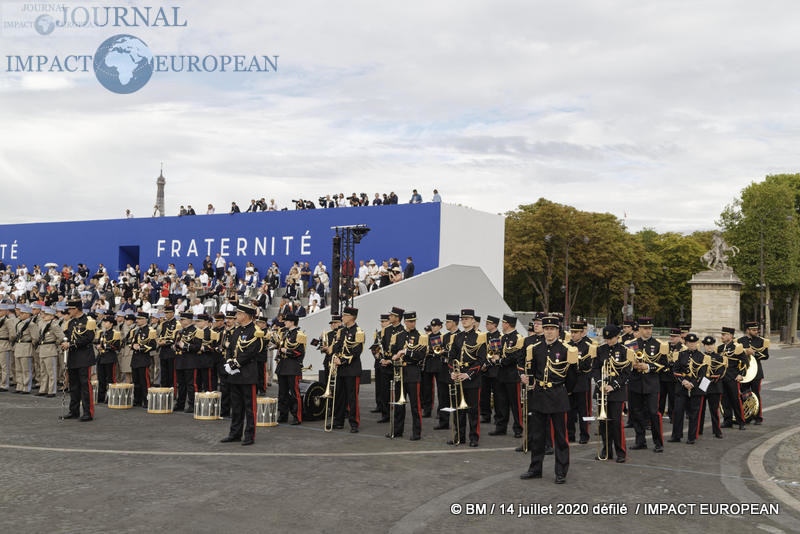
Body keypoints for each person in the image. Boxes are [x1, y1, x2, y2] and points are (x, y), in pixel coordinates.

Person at [519, 316, 577, 484]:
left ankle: (561, 472)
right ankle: (535, 469)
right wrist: (527, 380)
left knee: (560, 437)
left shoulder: (567, 349)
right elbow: (532, 371)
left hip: (558, 395)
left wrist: (566, 392)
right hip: (539, 395)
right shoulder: (535, 348)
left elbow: (572, 377)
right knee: (537, 436)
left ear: (558, 331)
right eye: (546, 329)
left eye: (552, 329)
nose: (549, 332)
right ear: (543, 330)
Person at [221, 303, 263, 446]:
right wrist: (228, 361)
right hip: (235, 375)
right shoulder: (237, 330)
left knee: (249, 408)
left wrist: (236, 363)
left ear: (245, 315)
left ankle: (249, 435)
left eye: (238, 314)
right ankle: (235, 433)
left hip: (247, 374)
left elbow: (252, 351)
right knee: (236, 407)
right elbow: (230, 348)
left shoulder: (255, 331)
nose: (236, 316)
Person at [592, 325, 634, 462]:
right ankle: (606, 450)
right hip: (602, 391)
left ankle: (621, 452)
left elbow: (626, 373)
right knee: (603, 423)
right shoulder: (600, 350)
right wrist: (600, 383)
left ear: (617, 336)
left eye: (610, 338)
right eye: (606, 338)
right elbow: (595, 369)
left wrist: (613, 386)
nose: (608, 341)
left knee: (616, 423)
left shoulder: (624, 351)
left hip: (616, 392)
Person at [625, 317, 667, 453]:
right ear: (640, 329)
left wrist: (648, 367)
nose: (648, 331)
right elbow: (624, 364)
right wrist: (633, 366)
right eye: (645, 328)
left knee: (653, 413)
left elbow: (665, 365)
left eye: (650, 328)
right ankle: (640, 441)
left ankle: (658, 442)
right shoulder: (630, 344)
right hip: (635, 383)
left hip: (651, 384)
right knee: (637, 413)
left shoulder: (660, 344)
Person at [447, 309, 487, 447]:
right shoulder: (457, 337)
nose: (464, 321)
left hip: (472, 378)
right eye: (462, 319)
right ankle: (459, 436)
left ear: (473, 320)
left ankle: (474, 438)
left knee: (473, 410)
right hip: (458, 377)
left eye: (467, 319)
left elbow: (481, 360)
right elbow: (451, 357)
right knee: (459, 409)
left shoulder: (480, 336)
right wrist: (452, 371)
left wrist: (468, 374)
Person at [387, 311, 426, 440]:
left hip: (413, 373)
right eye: (410, 321)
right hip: (400, 373)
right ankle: (397, 431)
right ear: (405, 322)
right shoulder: (398, 336)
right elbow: (392, 354)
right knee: (399, 405)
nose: (412, 323)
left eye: (414, 321)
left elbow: (421, 356)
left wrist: (406, 352)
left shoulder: (421, 336)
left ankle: (417, 432)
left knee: (415, 406)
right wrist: (394, 357)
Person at [60, 300, 96, 421]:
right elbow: (66, 336)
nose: (68, 311)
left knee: (85, 385)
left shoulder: (89, 321)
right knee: (74, 385)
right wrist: (64, 343)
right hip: (73, 357)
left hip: (84, 356)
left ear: (77, 309)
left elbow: (88, 338)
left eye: (71, 309)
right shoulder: (70, 322)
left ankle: (88, 412)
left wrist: (70, 344)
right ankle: (73, 410)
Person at [668, 333, 707, 444]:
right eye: (690, 343)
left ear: (697, 343)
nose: (692, 344)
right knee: (678, 412)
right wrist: (684, 381)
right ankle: (676, 435)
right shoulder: (681, 355)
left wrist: (693, 383)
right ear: (686, 343)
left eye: (694, 342)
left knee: (694, 414)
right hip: (682, 388)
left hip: (695, 389)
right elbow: (676, 370)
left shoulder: (702, 356)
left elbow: (703, 374)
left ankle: (692, 437)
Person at [331, 306, 364, 433]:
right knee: (339, 396)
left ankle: (354, 423)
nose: (342, 318)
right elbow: (338, 347)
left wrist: (342, 360)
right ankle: (338, 421)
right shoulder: (342, 331)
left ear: (351, 317)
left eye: (344, 315)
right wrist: (336, 357)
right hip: (341, 369)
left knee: (352, 398)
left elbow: (357, 351)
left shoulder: (359, 332)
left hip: (352, 369)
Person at [493, 314, 524, 438]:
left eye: (503, 323)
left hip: (512, 376)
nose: (502, 325)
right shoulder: (502, 338)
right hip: (501, 375)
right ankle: (501, 427)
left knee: (515, 404)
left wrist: (500, 361)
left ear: (507, 324)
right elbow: (498, 353)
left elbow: (516, 356)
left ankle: (518, 428)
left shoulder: (518, 338)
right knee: (501, 403)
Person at [565, 322, 594, 444]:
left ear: (582, 333)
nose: (573, 334)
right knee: (570, 412)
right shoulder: (567, 346)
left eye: (576, 332)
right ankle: (570, 435)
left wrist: (576, 362)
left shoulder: (588, 346)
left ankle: (584, 434)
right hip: (570, 383)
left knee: (584, 412)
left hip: (582, 382)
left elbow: (588, 365)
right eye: (572, 332)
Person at [276, 313, 305, 425]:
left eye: (286, 321)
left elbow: (299, 352)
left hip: (293, 366)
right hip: (283, 365)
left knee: (294, 393)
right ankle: (283, 415)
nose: (284, 322)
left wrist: (285, 351)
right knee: (282, 393)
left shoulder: (299, 334)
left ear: (292, 322)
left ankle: (297, 416)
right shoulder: (285, 333)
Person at [738, 320, 768, 424]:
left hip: (756, 372)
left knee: (756, 394)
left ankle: (758, 417)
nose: (756, 331)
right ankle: (747, 416)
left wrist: (754, 354)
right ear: (747, 330)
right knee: (745, 394)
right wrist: (745, 352)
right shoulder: (740, 340)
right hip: (744, 372)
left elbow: (766, 355)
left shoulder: (761, 341)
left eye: (757, 330)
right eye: (754, 330)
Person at [718, 327, 747, 430]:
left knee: (736, 400)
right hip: (722, 378)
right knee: (724, 401)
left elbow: (745, 362)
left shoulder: (737, 347)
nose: (722, 336)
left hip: (733, 377)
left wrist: (741, 374)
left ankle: (741, 422)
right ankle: (727, 421)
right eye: (722, 334)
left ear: (730, 336)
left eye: (724, 335)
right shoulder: (720, 348)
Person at [36, 306, 64, 398]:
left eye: (47, 314)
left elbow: (61, 337)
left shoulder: (54, 325)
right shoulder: (42, 324)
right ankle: (43, 389)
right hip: (42, 349)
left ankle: (52, 390)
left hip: (50, 349)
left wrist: (56, 343)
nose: (45, 316)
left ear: (52, 316)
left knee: (51, 372)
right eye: (44, 314)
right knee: (43, 371)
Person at [130, 311, 156, 408]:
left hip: (144, 358)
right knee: (136, 380)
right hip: (135, 358)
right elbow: (130, 342)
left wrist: (140, 347)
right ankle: (137, 399)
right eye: (137, 319)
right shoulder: (136, 330)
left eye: (140, 319)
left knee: (144, 381)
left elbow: (153, 345)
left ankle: (146, 400)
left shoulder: (150, 330)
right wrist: (133, 346)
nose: (137, 321)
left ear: (145, 320)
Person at [699, 336, 724, 439]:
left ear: (714, 345)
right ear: (704, 346)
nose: (709, 347)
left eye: (711, 345)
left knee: (714, 410)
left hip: (714, 385)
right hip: (702, 385)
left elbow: (721, 372)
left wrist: (710, 378)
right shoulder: (700, 356)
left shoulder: (719, 357)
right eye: (707, 345)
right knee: (701, 410)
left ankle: (717, 430)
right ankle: (698, 429)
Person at [421, 318, 445, 420]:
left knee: (441, 390)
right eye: (432, 325)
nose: (433, 327)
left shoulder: (443, 337)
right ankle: (427, 410)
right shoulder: (426, 337)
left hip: (439, 365)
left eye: (436, 326)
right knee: (427, 389)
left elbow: (444, 350)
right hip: (429, 364)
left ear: (440, 326)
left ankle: (441, 411)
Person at [11, 304, 38, 394]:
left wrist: (31, 345)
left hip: (26, 346)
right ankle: (19, 386)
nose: (20, 315)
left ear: (27, 314)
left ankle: (26, 387)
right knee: (18, 369)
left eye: (22, 313)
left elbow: (35, 337)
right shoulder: (19, 323)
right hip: (18, 347)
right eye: (20, 313)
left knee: (26, 369)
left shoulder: (31, 324)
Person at [481, 315, 502, 425]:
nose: (487, 325)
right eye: (486, 323)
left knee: (497, 395)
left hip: (494, 370)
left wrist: (487, 364)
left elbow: (497, 354)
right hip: (485, 370)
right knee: (484, 394)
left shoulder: (500, 336)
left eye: (489, 323)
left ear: (495, 324)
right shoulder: (484, 336)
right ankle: (485, 415)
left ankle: (498, 417)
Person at [95, 315, 120, 403]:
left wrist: (104, 346)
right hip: (101, 357)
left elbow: (117, 346)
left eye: (106, 322)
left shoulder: (115, 333)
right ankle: (101, 396)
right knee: (101, 378)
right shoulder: (101, 333)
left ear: (111, 324)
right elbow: (97, 343)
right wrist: (98, 346)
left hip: (110, 357)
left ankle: (110, 396)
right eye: (104, 322)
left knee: (110, 378)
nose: (104, 324)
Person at [157, 305, 178, 390]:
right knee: (164, 374)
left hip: (171, 351)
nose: (166, 314)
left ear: (173, 313)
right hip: (163, 351)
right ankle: (164, 391)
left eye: (168, 313)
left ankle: (172, 392)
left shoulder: (177, 324)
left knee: (172, 374)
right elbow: (161, 335)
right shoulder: (163, 324)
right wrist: (159, 341)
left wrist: (165, 342)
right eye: (165, 313)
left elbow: (176, 338)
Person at [0, 303, 14, 391]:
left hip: (4, 344)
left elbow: (12, 334)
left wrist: (9, 341)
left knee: (4, 366)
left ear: (5, 311)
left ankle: (4, 384)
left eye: (1, 310)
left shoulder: (7, 321)